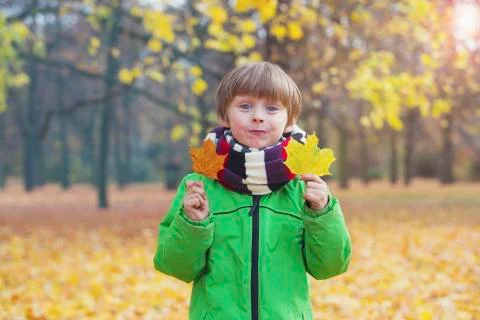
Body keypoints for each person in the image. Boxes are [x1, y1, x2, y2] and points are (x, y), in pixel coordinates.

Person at [153, 61, 352, 320]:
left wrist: (322, 215)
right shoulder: (201, 184)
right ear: (225, 115)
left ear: (290, 120)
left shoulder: (303, 186)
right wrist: (192, 225)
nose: (258, 116)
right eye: (245, 106)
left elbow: (330, 266)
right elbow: (175, 266)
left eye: (271, 108)